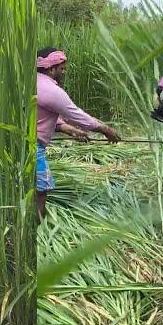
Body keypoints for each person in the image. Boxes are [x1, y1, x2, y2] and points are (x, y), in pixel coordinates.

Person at [36, 47, 121, 219]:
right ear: (51, 69)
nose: (64, 72)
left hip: (24, 143)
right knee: (41, 189)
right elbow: (77, 115)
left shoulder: (34, 83)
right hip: (33, 146)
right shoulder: (51, 90)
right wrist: (106, 130)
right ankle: (36, 226)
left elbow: (39, 114)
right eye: (62, 68)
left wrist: (67, 128)